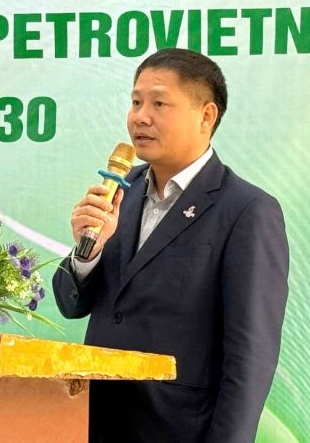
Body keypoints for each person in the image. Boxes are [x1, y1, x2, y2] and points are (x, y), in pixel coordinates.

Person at [53, 48, 289, 443]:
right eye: (136, 102)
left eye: (159, 104)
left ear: (206, 115)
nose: (140, 117)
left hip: (178, 429)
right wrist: (87, 251)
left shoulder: (246, 210)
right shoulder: (120, 191)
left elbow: (250, 357)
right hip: (96, 422)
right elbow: (70, 304)